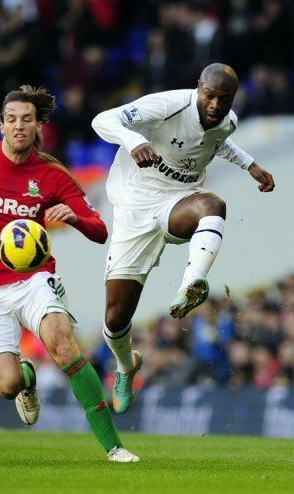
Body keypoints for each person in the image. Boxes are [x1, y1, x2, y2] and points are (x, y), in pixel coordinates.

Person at [0, 84, 138, 463]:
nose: (20, 126)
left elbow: (99, 230)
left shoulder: (51, 175)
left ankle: (114, 446)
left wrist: (77, 219)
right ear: (1, 125)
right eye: (12, 119)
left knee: (63, 345)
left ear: (39, 128)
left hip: (34, 278)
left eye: (28, 120)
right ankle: (26, 381)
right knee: (7, 385)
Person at [91, 62, 275, 414]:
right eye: (209, 95)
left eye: (224, 98)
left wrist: (250, 164)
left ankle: (191, 285)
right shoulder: (168, 105)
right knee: (115, 319)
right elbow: (102, 120)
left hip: (178, 202)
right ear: (198, 87)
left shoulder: (227, 120)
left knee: (213, 204)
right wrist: (134, 141)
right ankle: (127, 366)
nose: (215, 105)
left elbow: (219, 143)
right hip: (134, 206)